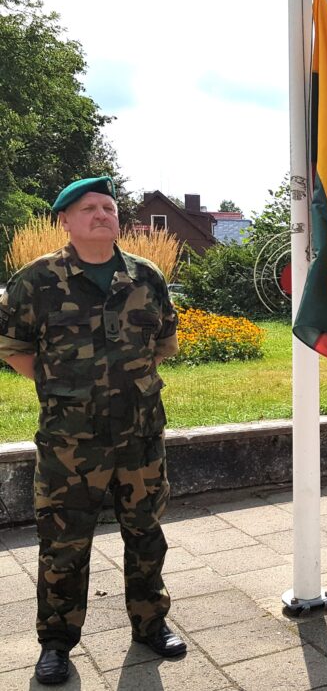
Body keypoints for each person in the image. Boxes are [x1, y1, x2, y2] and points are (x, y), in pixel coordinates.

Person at [0, 177, 186, 685]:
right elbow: (12, 346)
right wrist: (62, 383)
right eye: (89, 208)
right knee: (63, 542)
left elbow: (164, 343)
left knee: (146, 533)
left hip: (140, 435)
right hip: (70, 442)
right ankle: (56, 643)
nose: (103, 214)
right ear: (66, 220)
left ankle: (151, 623)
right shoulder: (36, 280)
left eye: (109, 207)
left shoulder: (145, 277)